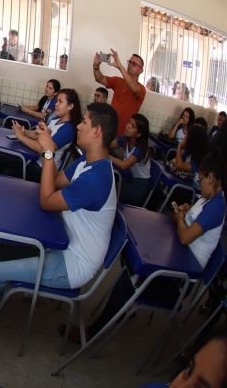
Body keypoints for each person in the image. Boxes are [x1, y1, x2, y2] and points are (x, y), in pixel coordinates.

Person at [0, 102, 118, 309]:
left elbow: (47, 200)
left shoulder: (97, 178)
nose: (78, 126)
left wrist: (48, 152)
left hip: (73, 262)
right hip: (59, 236)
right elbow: (55, 182)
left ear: (97, 131)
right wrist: (46, 148)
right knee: (6, 227)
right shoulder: (88, 161)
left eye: (84, 122)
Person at [78, 152, 226, 343]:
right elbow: (190, 224)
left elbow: (185, 237)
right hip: (178, 261)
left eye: (201, 178)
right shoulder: (208, 198)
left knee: (128, 279)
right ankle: (121, 309)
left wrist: (180, 219)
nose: (199, 181)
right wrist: (184, 212)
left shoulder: (216, 206)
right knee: (129, 259)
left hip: (179, 280)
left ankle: (94, 332)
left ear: (211, 177)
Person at [11, 89, 81, 182]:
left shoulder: (68, 129)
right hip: (36, 159)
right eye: (57, 101)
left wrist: (21, 137)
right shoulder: (55, 119)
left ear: (70, 106)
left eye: (60, 101)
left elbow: (43, 148)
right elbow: (38, 136)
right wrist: (24, 131)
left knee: (8, 171)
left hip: (45, 170)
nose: (56, 104)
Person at [93, 50, 146, 136]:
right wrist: (96, 66)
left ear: (141, 70)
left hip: (124, 135)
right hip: (109, 129)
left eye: (134, 64)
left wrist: (120, 66)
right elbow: (99, 78)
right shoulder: (118, 81)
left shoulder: (141, 89)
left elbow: (135, 89)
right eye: (129, 62)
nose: (130, 65)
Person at [110, 113, 152, 206]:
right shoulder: (125, 139)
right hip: (128, 178)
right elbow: (108, 146)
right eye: (129, 122)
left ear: (139, 134)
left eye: (132, 126)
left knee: (107, 190)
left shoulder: (141, 149)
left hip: (137, 187)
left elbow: (124, 165)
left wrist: (106, 155)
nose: (128, 126)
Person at [172, 124, 210, 191]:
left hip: (194, 190)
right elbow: (175, 161)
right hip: (185, 184)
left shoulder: (201, 158)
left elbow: (178, 165)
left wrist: (180, 146)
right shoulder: (189, 150)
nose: (185, 137)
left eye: (187, 136)